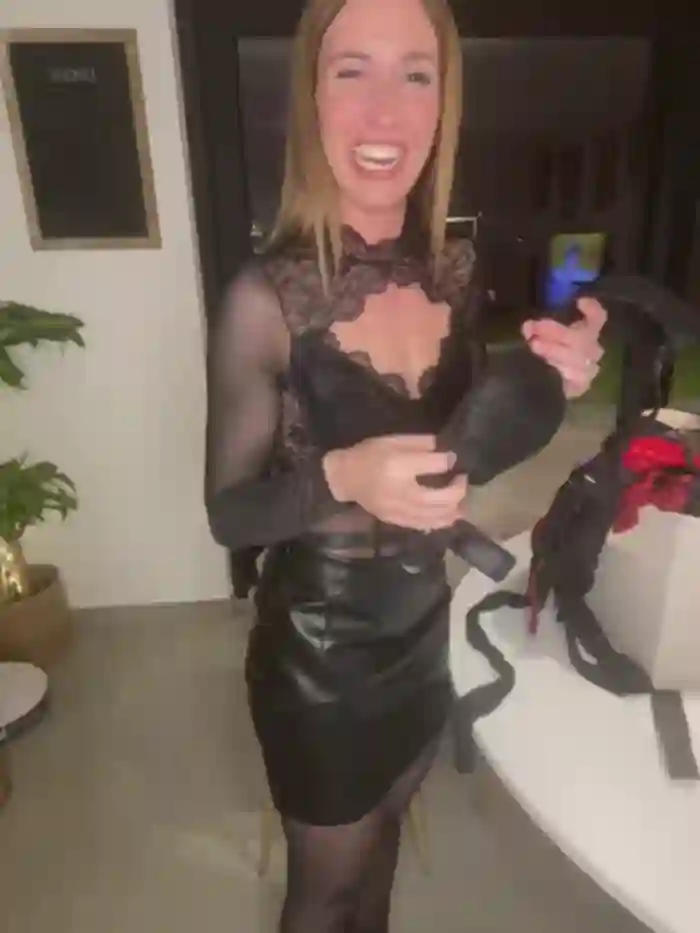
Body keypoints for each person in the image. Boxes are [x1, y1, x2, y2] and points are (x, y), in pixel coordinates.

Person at [204, 1, 606, 930]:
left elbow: (475, 442)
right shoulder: (265, 298)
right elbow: (229, 514)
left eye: (415, 74)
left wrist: (555, 376)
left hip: (425, 627)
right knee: (325, 894)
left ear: (442, 103)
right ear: (312, 95)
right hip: (319, 656)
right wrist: (341, 478)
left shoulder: (453, 271)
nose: (385, 110)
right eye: (353, 69)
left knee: (382, 854)